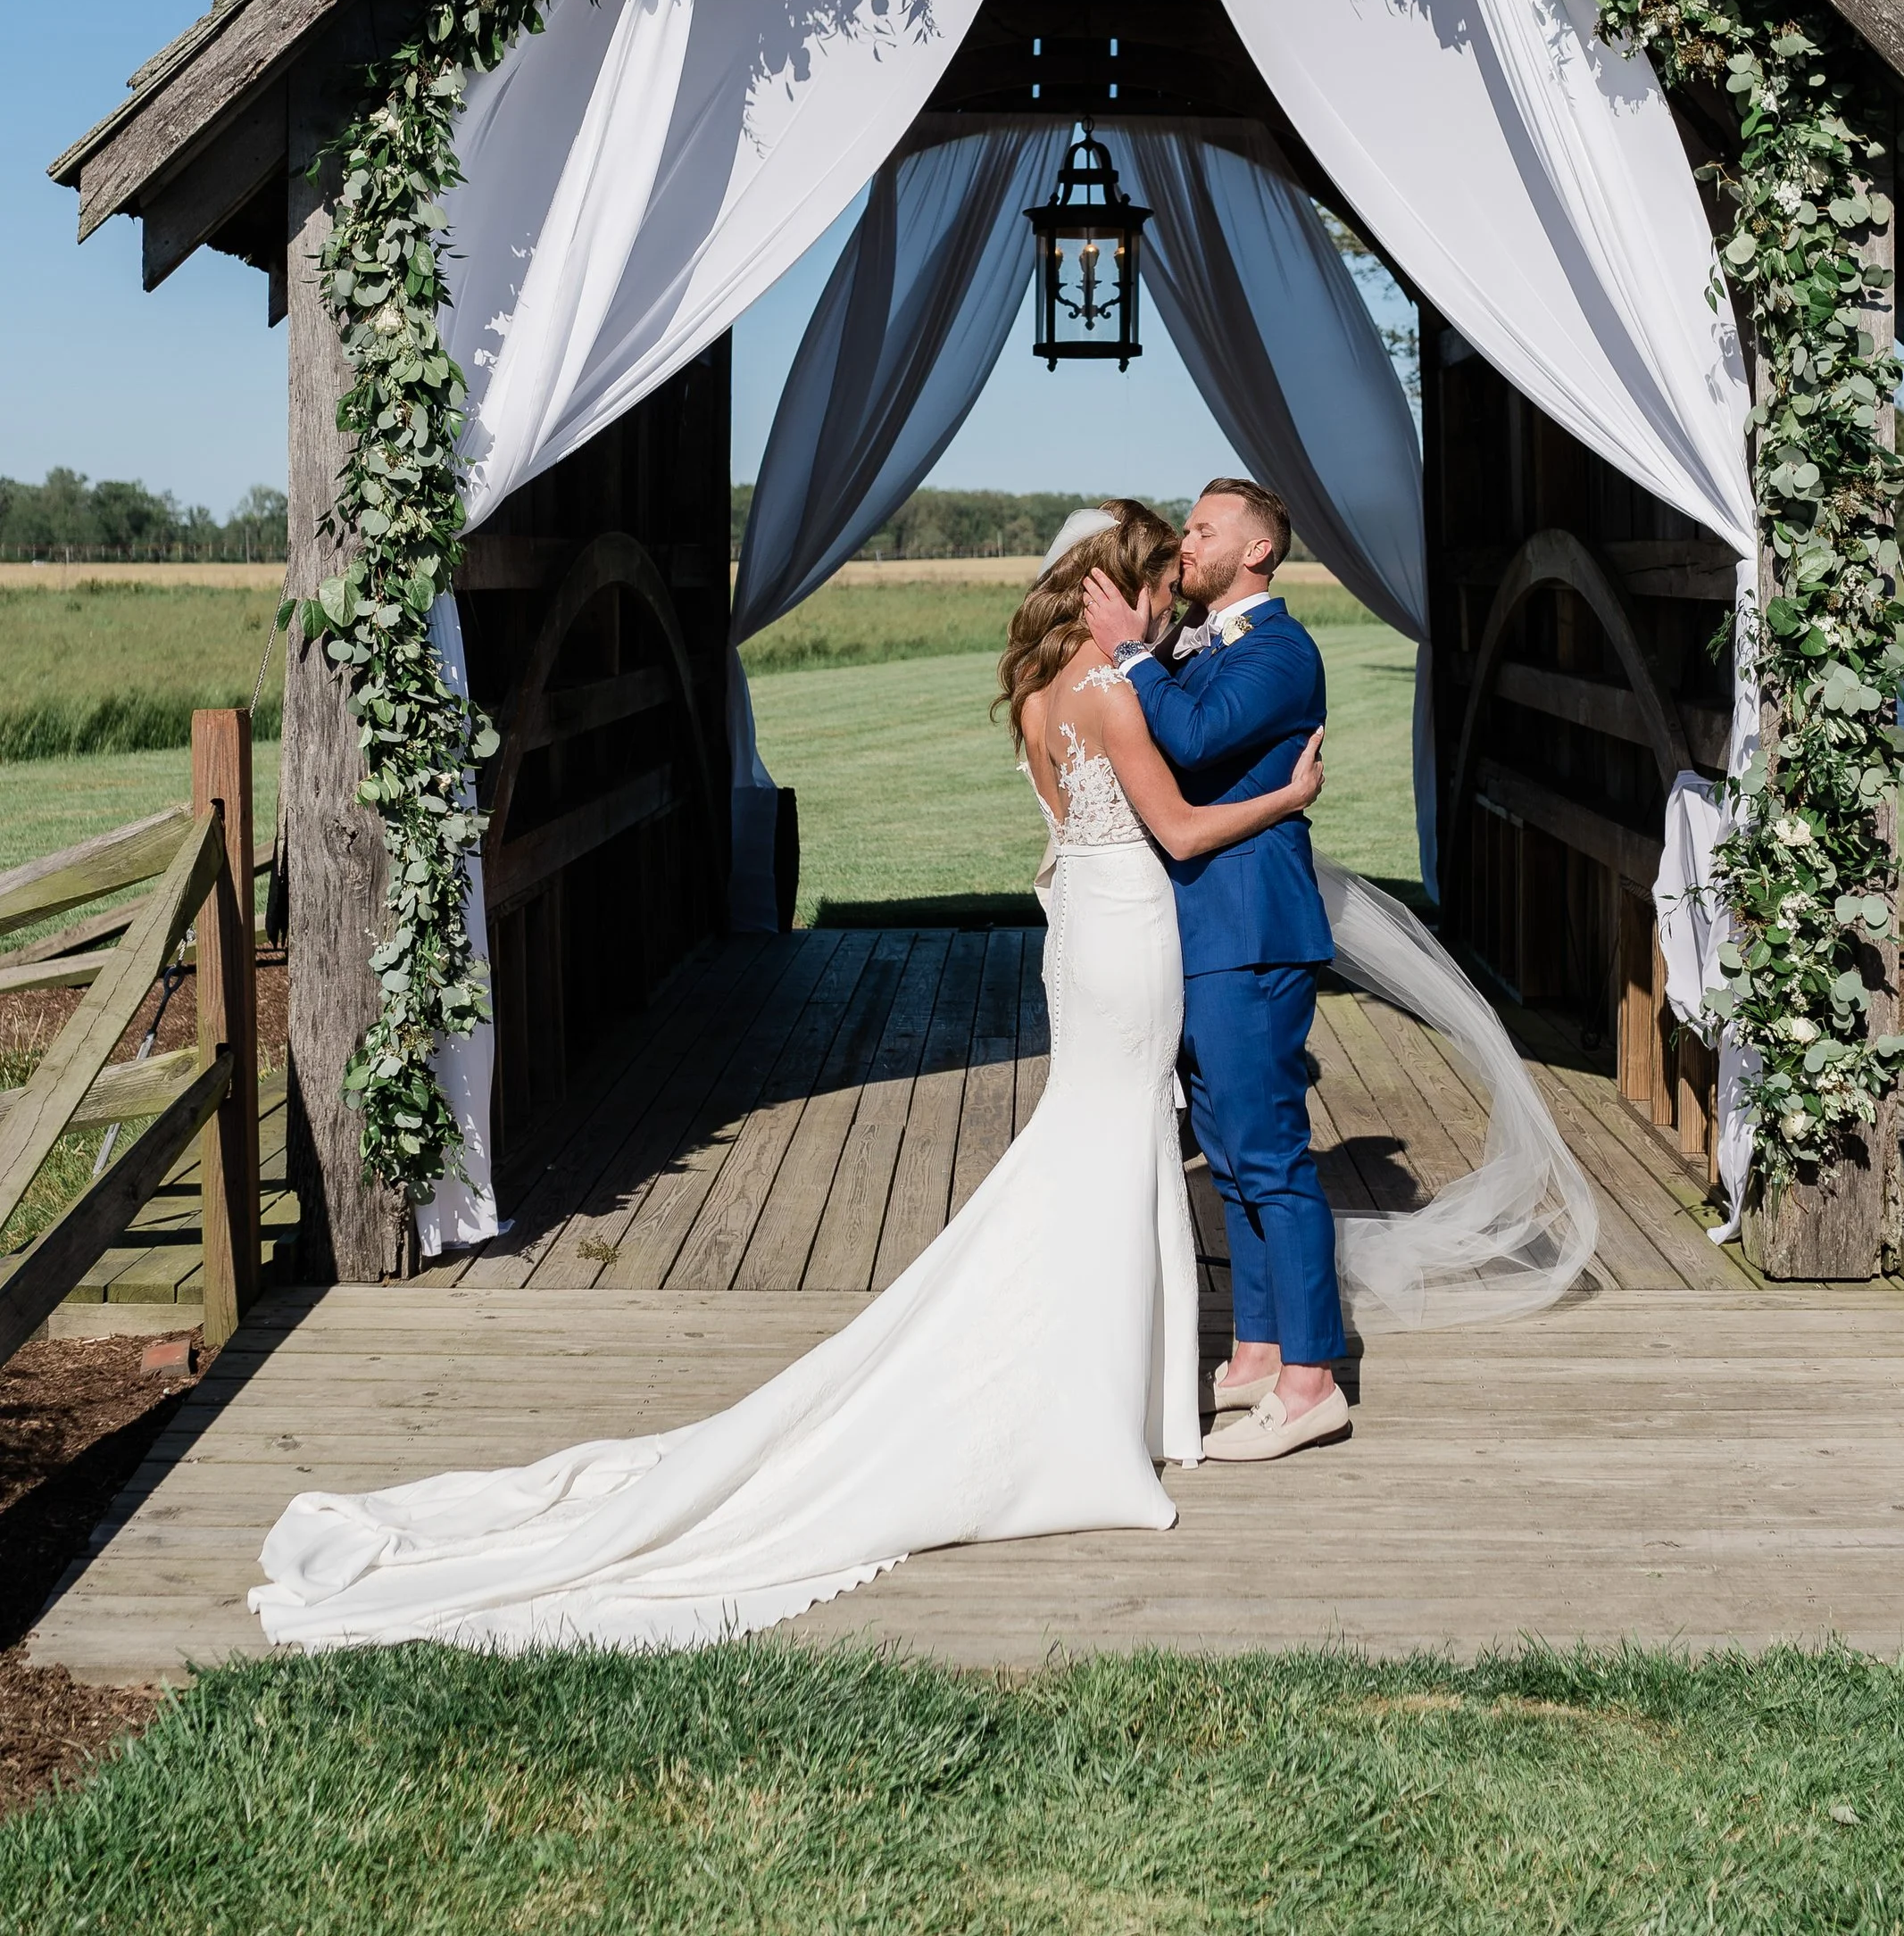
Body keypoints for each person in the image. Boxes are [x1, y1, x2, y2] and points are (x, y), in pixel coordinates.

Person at [249, 502, 1323, 1656]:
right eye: (1154, 581)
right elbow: (1180, 828)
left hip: (1083, 938)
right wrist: (1288, 796)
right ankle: (1110, 1398)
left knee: (1092, 1143)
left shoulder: (1038, 689)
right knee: (1116, 1145)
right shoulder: (1113, 687)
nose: (1164, 601)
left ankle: (1116, 1378)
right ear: (1114, 584)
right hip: (1133, 931)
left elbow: (1074, 823)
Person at [1083, 478, 1349, 1465]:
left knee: (1272, 1155)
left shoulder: (1282, 652)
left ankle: (1312, 1382)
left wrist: (1124, 654)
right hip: (1196, 933)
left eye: (1202, 530)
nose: (1184, 542)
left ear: (1256, 555)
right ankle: (1254, 1349)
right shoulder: (1189, 645)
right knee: (1229, 1156)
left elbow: (1188, 739)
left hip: (1250, 927)